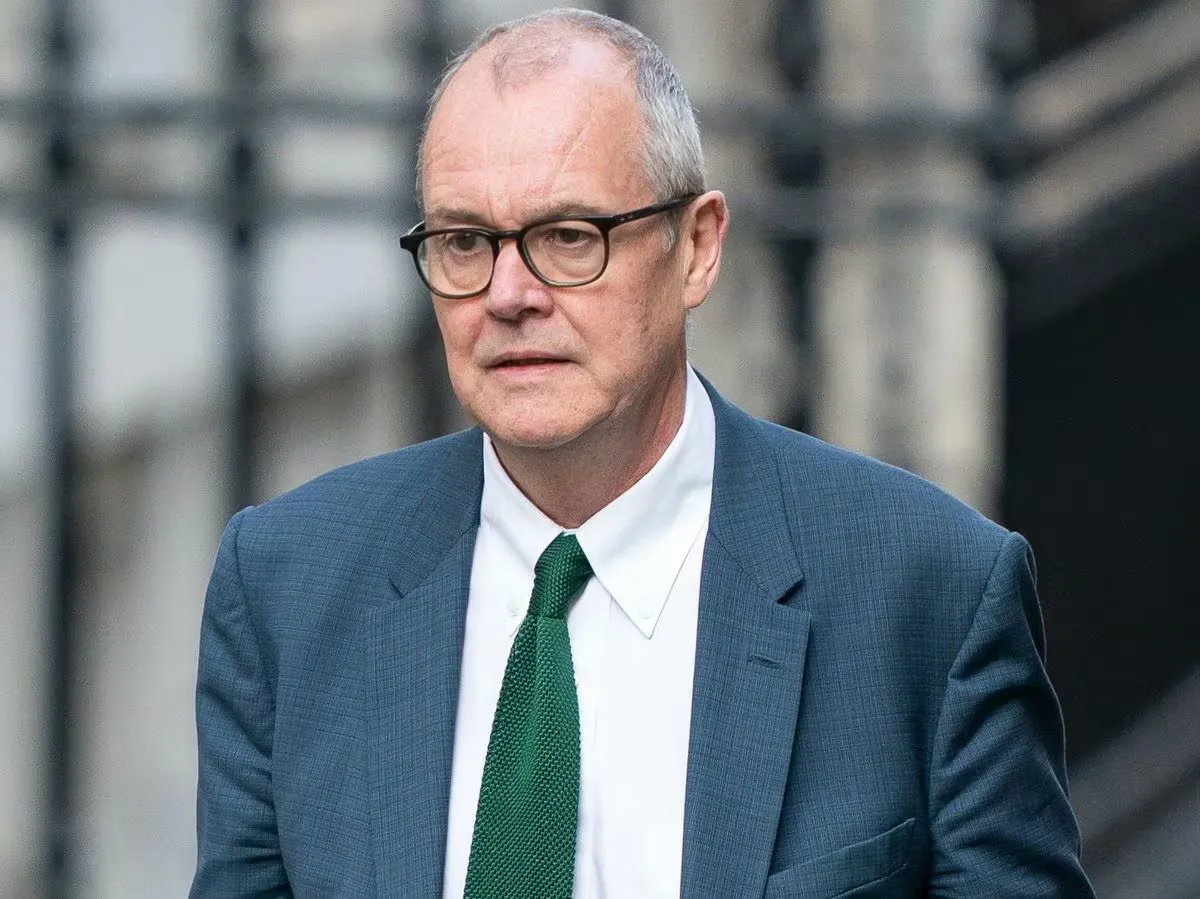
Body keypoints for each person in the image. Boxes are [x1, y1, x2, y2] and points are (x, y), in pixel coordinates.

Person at [191, 8, 1094, 898]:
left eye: (568, 237)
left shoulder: (926, 591)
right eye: (464, 242)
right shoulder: (286, 586)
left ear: (696, 247)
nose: (509, 294)